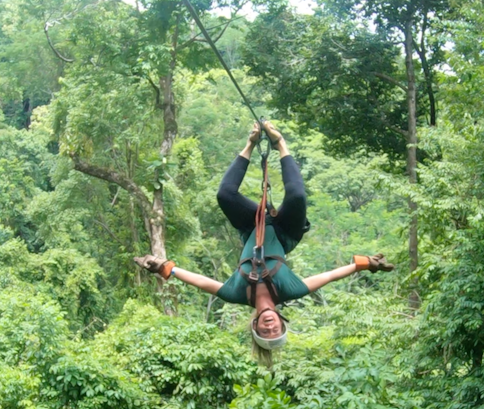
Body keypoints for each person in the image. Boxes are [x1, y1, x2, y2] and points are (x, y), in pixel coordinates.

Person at [135, 122, 394, 363]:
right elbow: (329, 276)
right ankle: (280, 143)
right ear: (281, 321)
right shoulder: (289, 290)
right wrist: (365, 264)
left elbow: (202, 282)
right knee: (296, 197)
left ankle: (251, 143)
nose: (270, 327)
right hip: (284, 232)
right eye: (275, 329)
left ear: (255, 324)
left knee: (225, 195)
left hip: (253, 227)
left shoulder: (237, 293)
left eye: (265, 330)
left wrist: (162, 267)